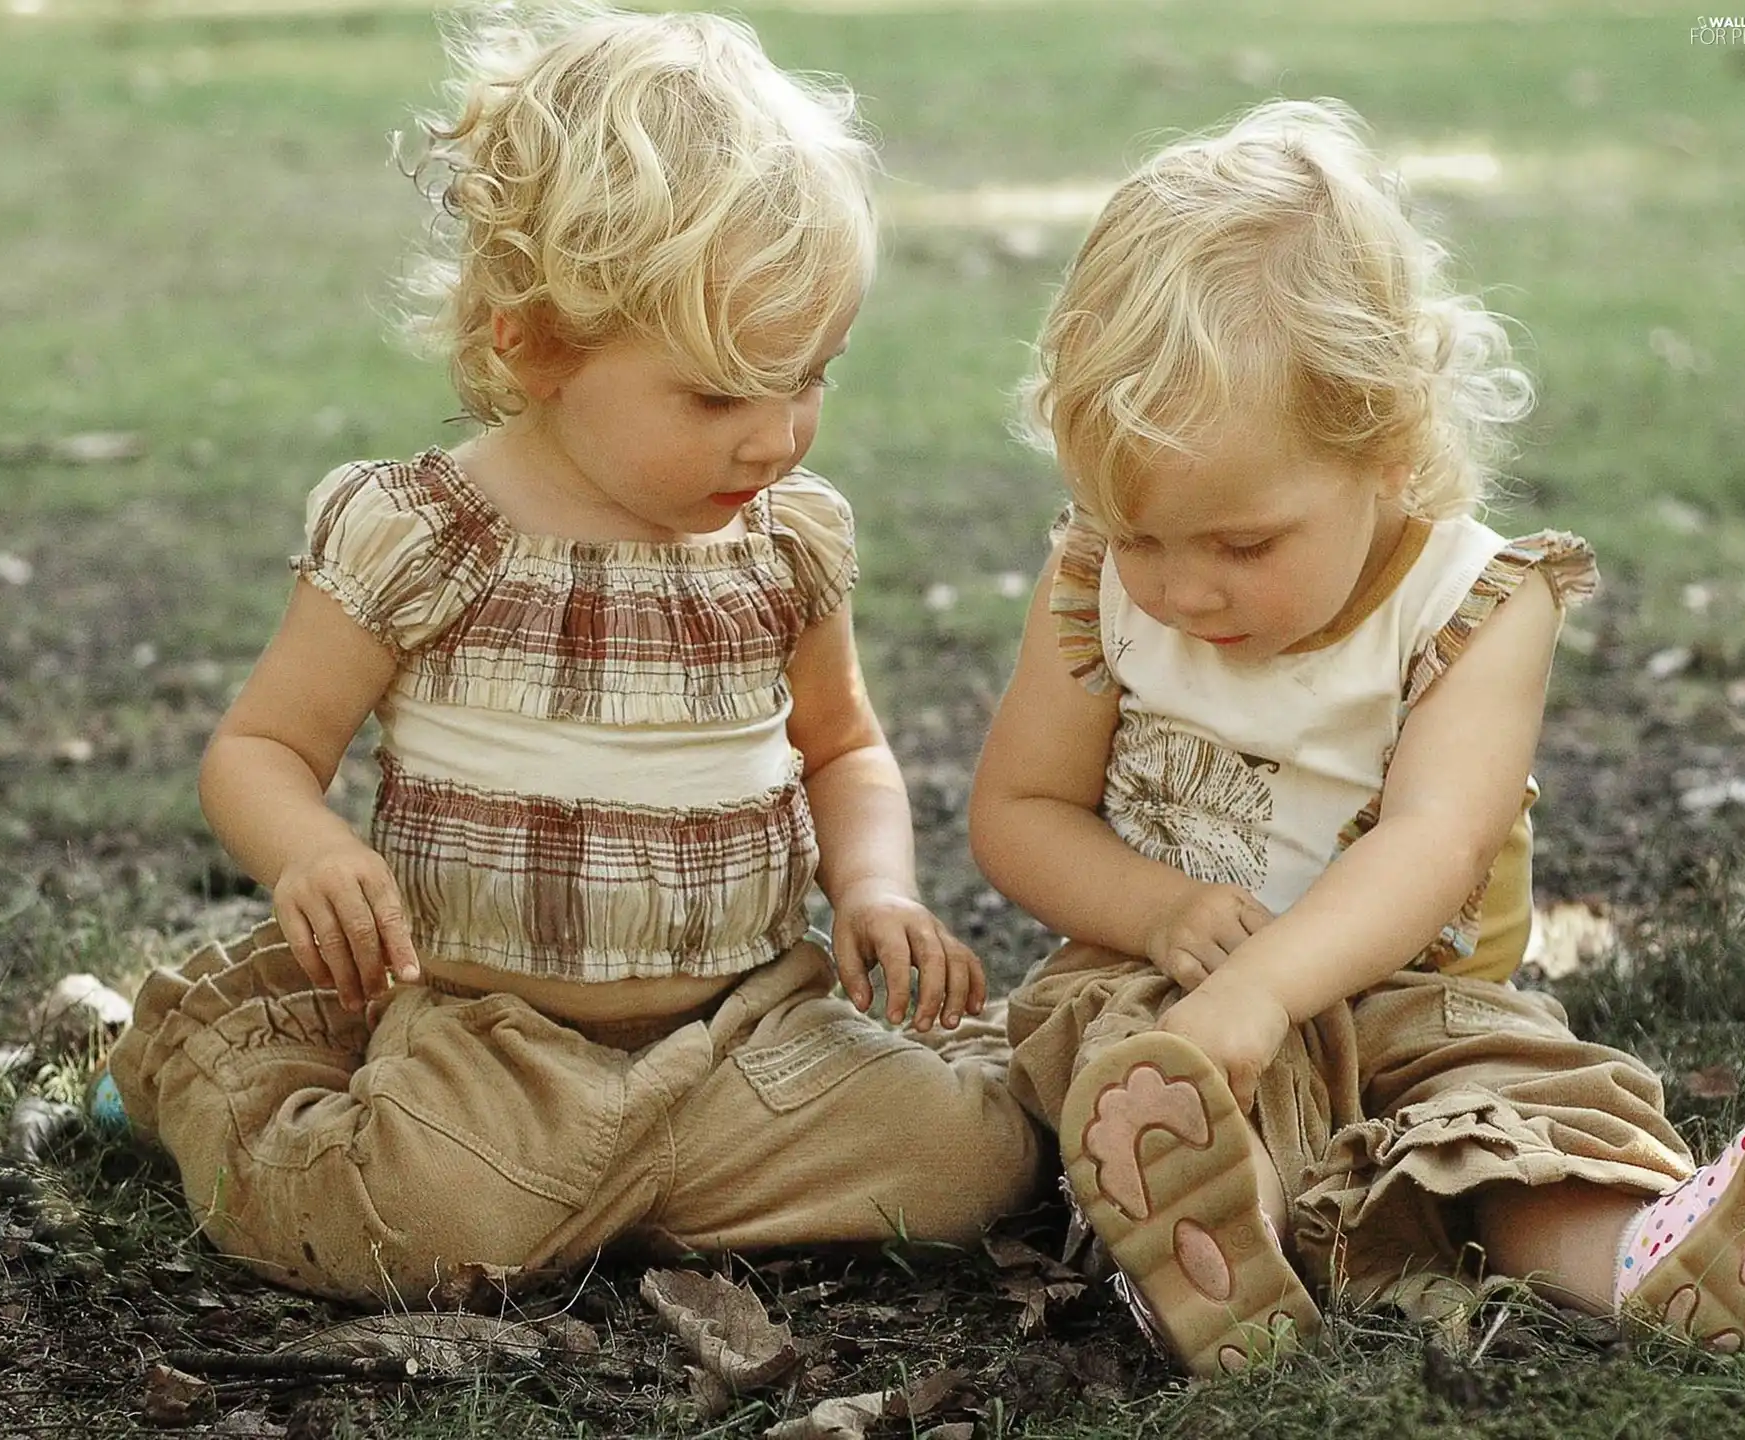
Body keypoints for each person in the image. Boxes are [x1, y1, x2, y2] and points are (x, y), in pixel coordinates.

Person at [101, 0, 1042, 1306]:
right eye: (719, 395)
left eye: (811, 376)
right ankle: (209, 1060)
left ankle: (631, 1186)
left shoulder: (785, 545)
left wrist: (875, 888)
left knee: (970, 1160)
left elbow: (845, 746)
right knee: (404, 1227)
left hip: (747, 1027)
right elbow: (259, 750)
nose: (778, 439)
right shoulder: (425, 535)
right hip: (495, 1035)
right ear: (534, 344)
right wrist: (313, 852)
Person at [969, 98, 1745, 1377]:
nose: (1180, 590)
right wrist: (1158, 915)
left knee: (1507, 1121)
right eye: (1137, 532)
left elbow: (1436, 839)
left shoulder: (1477, 603)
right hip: (1176, 994)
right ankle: (1216, 1250)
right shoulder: (1097, 579)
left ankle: (1658, 1259)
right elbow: (1019, 811)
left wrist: (1279, 985)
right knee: (1147, 1075)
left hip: (1418, 1000)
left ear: (1387, 446)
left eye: (1241, 544)